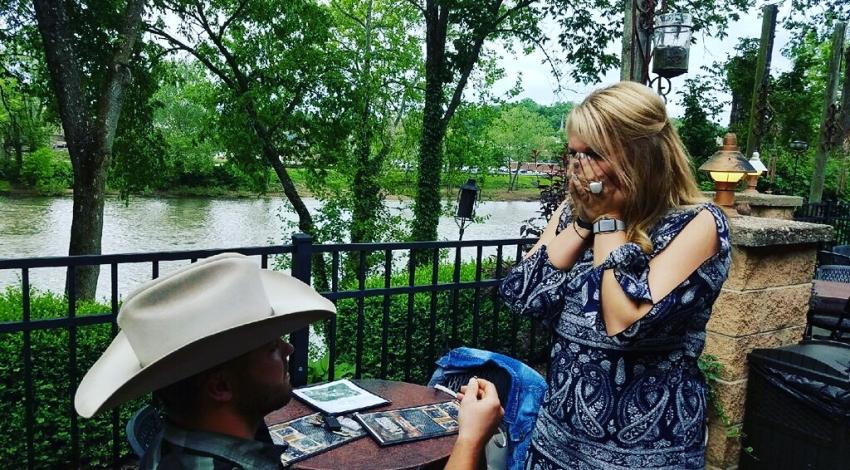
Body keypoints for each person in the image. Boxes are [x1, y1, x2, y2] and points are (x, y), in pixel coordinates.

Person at [74, 253, 502, 469]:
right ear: (220, 386)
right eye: (270, 345)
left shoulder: (172, 441)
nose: (290, 350)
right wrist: (469, 440)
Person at [499, 82, 732, 470]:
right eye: (573, 153)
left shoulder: (697, 224)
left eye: (593, 154)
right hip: (557, 442)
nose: (579, 167)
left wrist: (609, 221)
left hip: (645, 452)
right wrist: (582, 224)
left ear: (642, 155)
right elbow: (521, 293)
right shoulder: (579, 211)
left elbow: (624, 323)